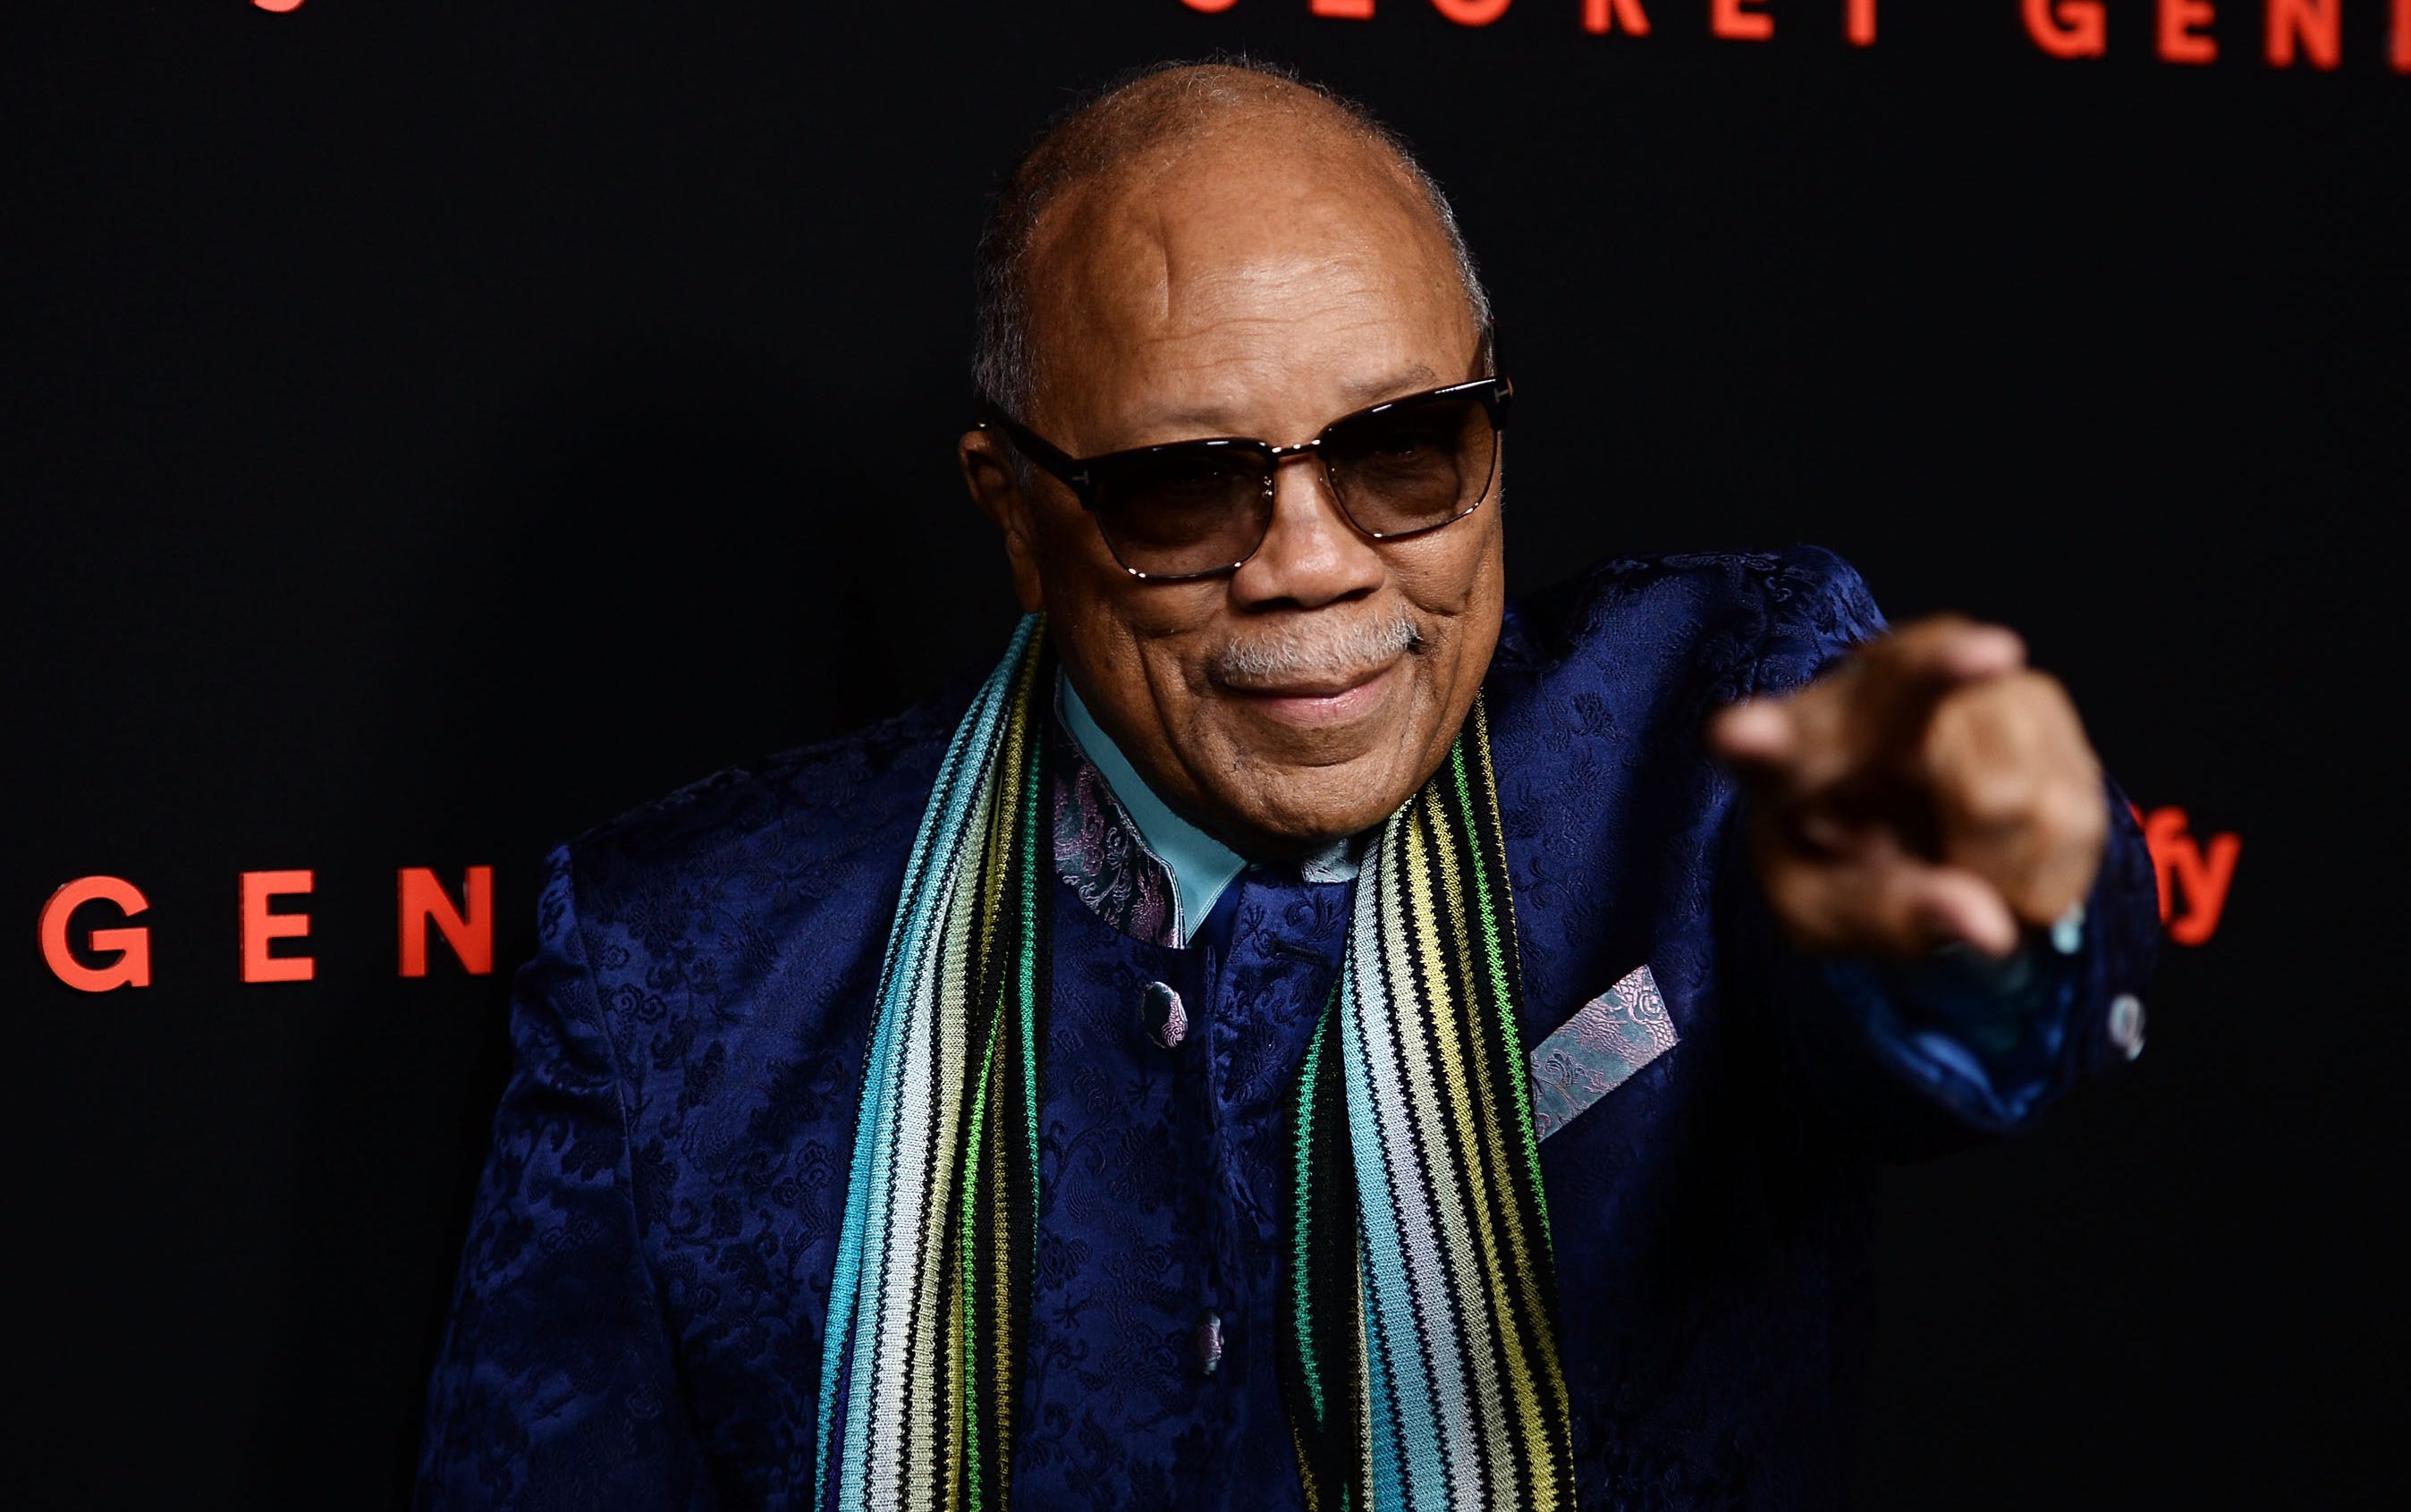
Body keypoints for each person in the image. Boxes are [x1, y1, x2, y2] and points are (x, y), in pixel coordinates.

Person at [418, 59, 2157, 1512]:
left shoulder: (1716, 742)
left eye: (1406, 451)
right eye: (1187, 487)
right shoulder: (678, 965)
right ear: (1017, 514)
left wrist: (1989, 917)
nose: (1315, 566)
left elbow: (1986, 1003)